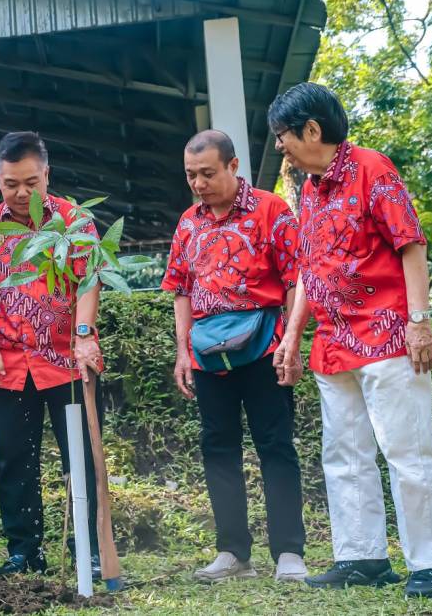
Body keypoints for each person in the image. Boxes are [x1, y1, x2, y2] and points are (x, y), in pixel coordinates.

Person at [270, 82, 432, 598]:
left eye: (283, 134)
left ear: (311, 129)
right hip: (333, 343)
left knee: (407, 451)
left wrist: (419, 321)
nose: (279, 146)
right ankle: (362, 556)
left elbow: (410, 244)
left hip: (388, 335)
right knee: (344, 454)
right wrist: (293, 335)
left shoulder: (373, 167)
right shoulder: (308, 188)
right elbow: (308, 268)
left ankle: (429, 563)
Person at [162, 129, 307, 583]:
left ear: (232, 165)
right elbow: (181, 291)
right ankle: (232, 552)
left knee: (276, 446)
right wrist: (183, 352)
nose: (199, 183)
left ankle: (289, 553)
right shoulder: (188, 222)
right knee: (217, 449)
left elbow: (295, 280)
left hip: (264, 346)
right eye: (191, 175)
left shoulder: (271, 209)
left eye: (207, 173)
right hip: (208, 355)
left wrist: (290, 343)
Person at [0, 131, 106, 577]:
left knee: (79, 457)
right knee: (13, 460)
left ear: (47, 174)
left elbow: (89, 279)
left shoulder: (75, 221)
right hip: (6, 365)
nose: (21, 193)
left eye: (30, 182)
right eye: (10, 184)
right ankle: (24, 550)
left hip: (66, 361)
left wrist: (84, 335)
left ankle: (92, 549)